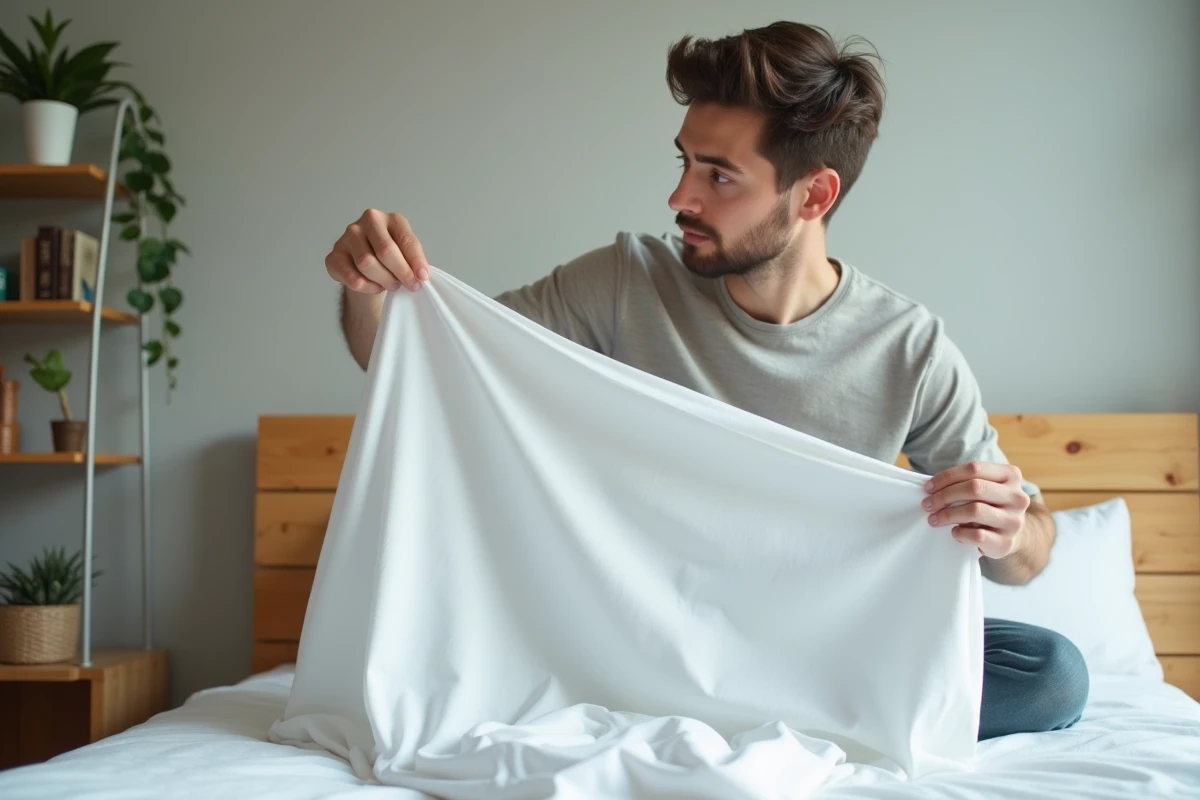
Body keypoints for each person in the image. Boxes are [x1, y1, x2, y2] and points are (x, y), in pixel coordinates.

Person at [325, 20, 1088, 741]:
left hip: (817, 644)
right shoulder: (626, 282)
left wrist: (1010, 528)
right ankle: (754, 709)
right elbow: (422, 355)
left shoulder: (909, 351)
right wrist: (367, 286)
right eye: (685, 161)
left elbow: (1029, 554)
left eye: (719, 175)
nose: (681, 198)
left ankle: (732, 706)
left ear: (813, 196)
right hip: (638, 629)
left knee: (1052, 674)